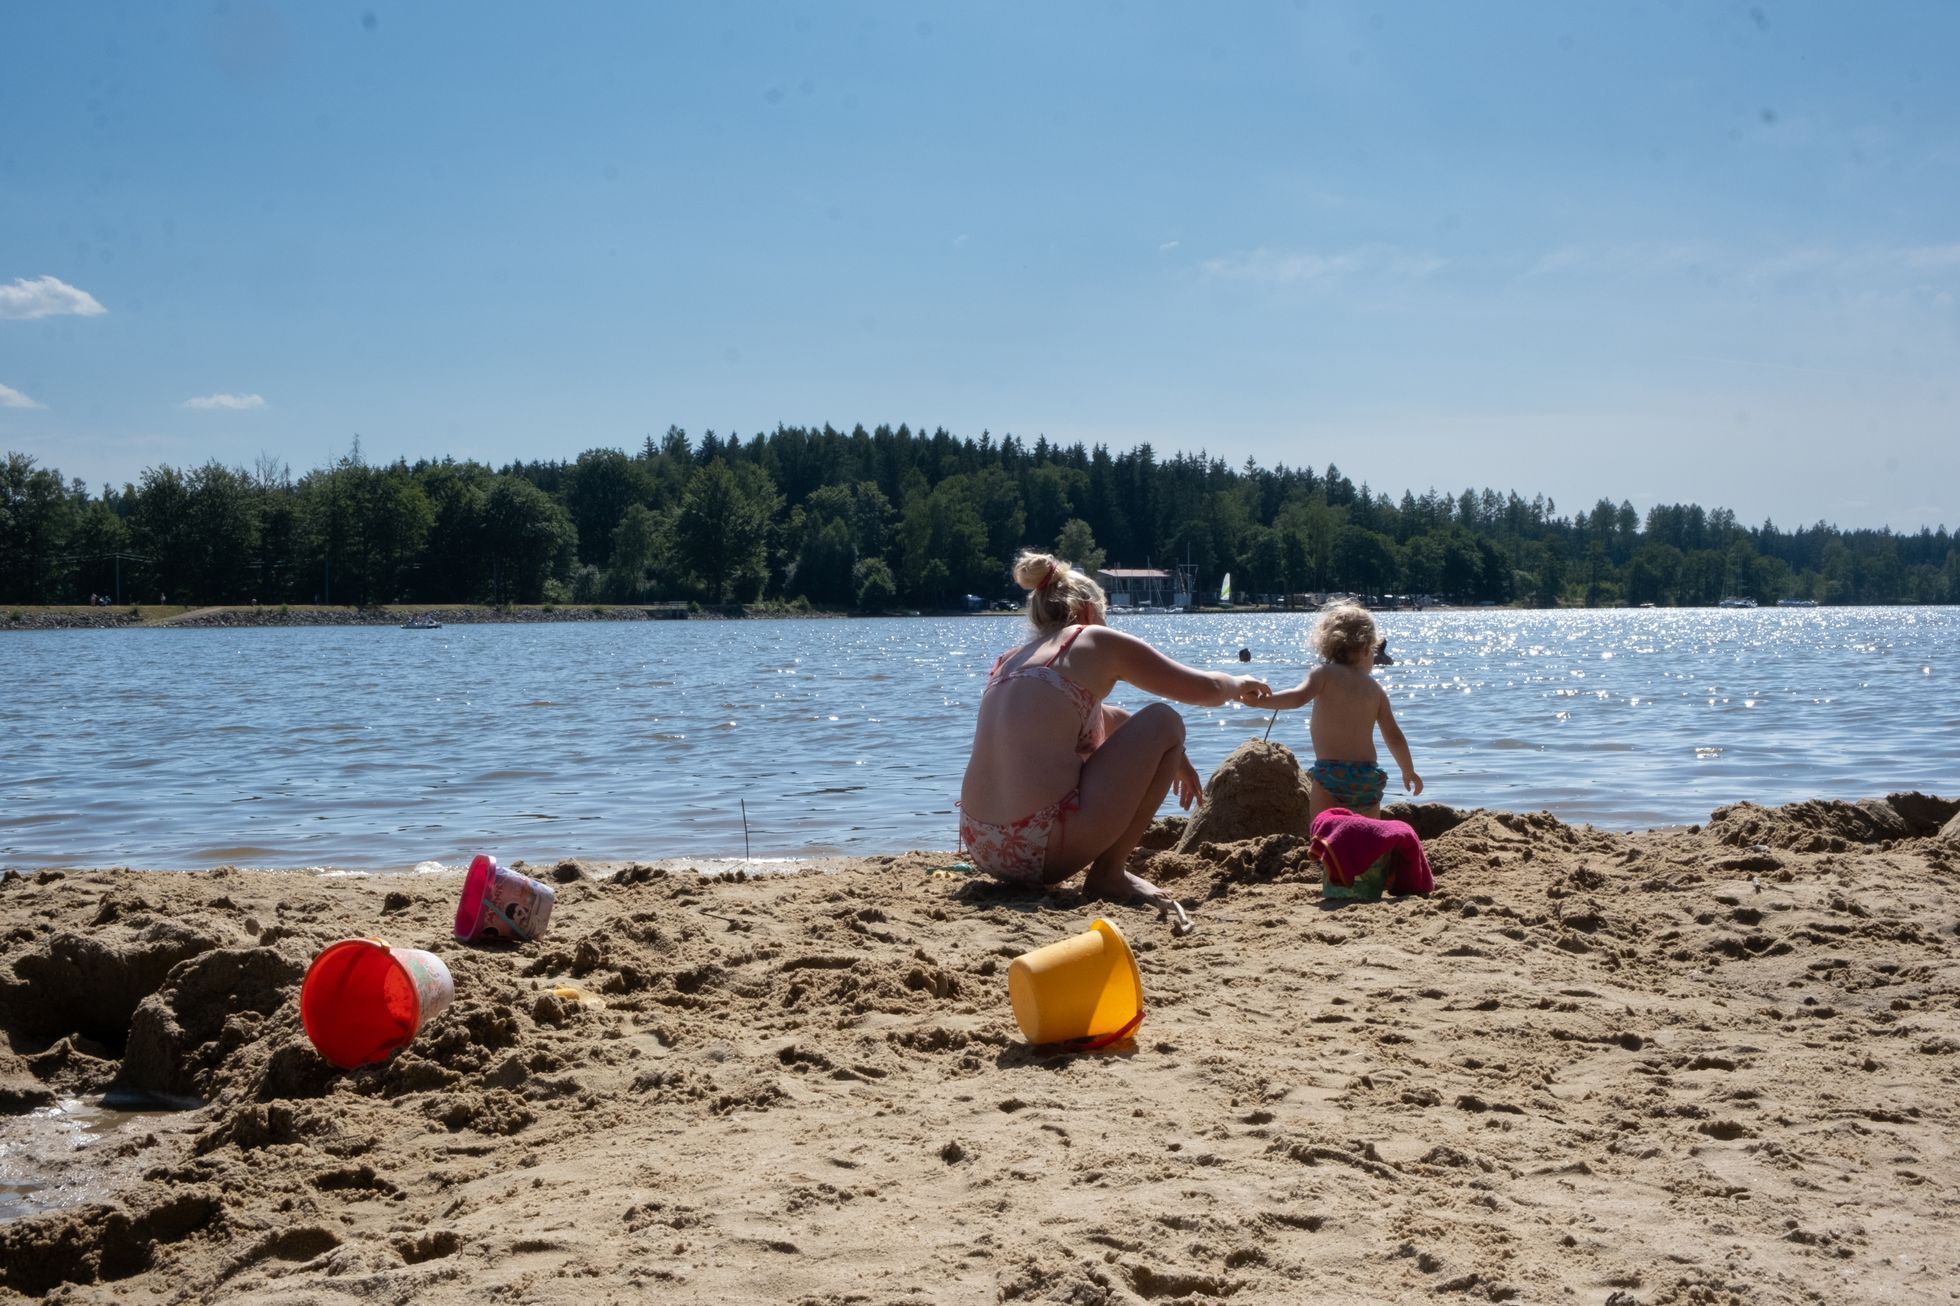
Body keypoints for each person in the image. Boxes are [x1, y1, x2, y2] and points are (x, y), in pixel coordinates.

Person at [960, 550, 1269, 906]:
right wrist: (1239, 681)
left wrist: (1176, 757)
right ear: (1090, 612)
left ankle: (1101, 869)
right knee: (1166, 719)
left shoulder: (1011, 660)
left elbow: (1103, 718)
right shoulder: (1091, 639)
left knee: (1151, 726)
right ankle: (1109, 873)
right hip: (1036, 846)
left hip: (981, 844)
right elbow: (1207, 691)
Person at [1260, 603, 1421, 820]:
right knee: (1369, 835)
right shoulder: (1375, 689)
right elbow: (1394, 737)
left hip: (1331, 775)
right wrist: (1408, 770)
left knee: (1323, 834)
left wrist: (1261, 701)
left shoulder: (1323, 674)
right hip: (1367, 777)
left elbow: (1297, 698)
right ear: (1366, 649)